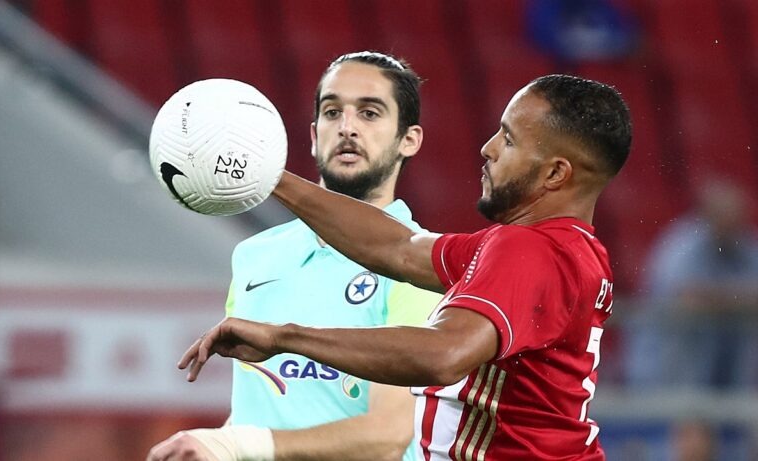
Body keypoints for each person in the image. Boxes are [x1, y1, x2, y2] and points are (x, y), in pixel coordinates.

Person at [179, 74, 632, 460]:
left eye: (508, 139)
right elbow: (397, 247)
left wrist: (285, 339)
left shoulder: (529, 250)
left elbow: (444, 355)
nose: (488, 148)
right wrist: (271, 178)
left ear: (555, 174)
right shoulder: (569, 249)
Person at [147, 51, 443, 461]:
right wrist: (212, 448)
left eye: (370, 113)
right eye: (332, 112)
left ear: (409, 139)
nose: (347, 127)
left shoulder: (424, 268)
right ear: (313, 134)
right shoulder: (254, 257)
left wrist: (238, 445)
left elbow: (387, 436)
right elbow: (262, 410)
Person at [626, 178, 758, 389]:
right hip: (664, 373)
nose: (732, 228)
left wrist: (714, 298)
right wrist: (736, 300)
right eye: (725, 220)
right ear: (707, 216)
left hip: (721, 374)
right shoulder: (680, 244)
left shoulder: (743, 242)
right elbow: (686, 299)